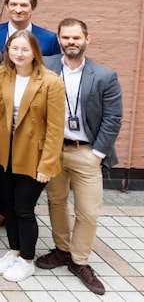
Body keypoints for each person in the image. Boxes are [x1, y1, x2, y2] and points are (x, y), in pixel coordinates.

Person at [36, 18, 122, 295]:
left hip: (87, 151)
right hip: (53, 150)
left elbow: (113, 118)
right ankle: (62, 250)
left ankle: (80, 260)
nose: (71, 42)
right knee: (56, 202)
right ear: (59, 39)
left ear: (87, 40)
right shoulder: (46, 66)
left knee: (88, 211)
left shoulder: (105, 75)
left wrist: (98, 153)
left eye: (76, 38)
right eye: (66, 38)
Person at [0, 30, 65, 282]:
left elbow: (55, 128)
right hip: (3, 153)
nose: (19, 54)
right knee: (7, 206)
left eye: (24, 49)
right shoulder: (0, 74)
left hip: (34, 155)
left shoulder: (51, 81)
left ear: (35, 52)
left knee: (24, 208)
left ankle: (27, 260)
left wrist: (48, 163)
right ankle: (14, 251)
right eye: (14, 48)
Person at [0, 0, 61, 236]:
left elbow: (51, 75)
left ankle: (20, 213)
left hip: (31, 113)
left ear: (33, 8)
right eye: (13, 4)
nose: (18, 9)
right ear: (7, 6)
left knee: (23, 176)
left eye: (24, 5)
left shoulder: (47, 39)